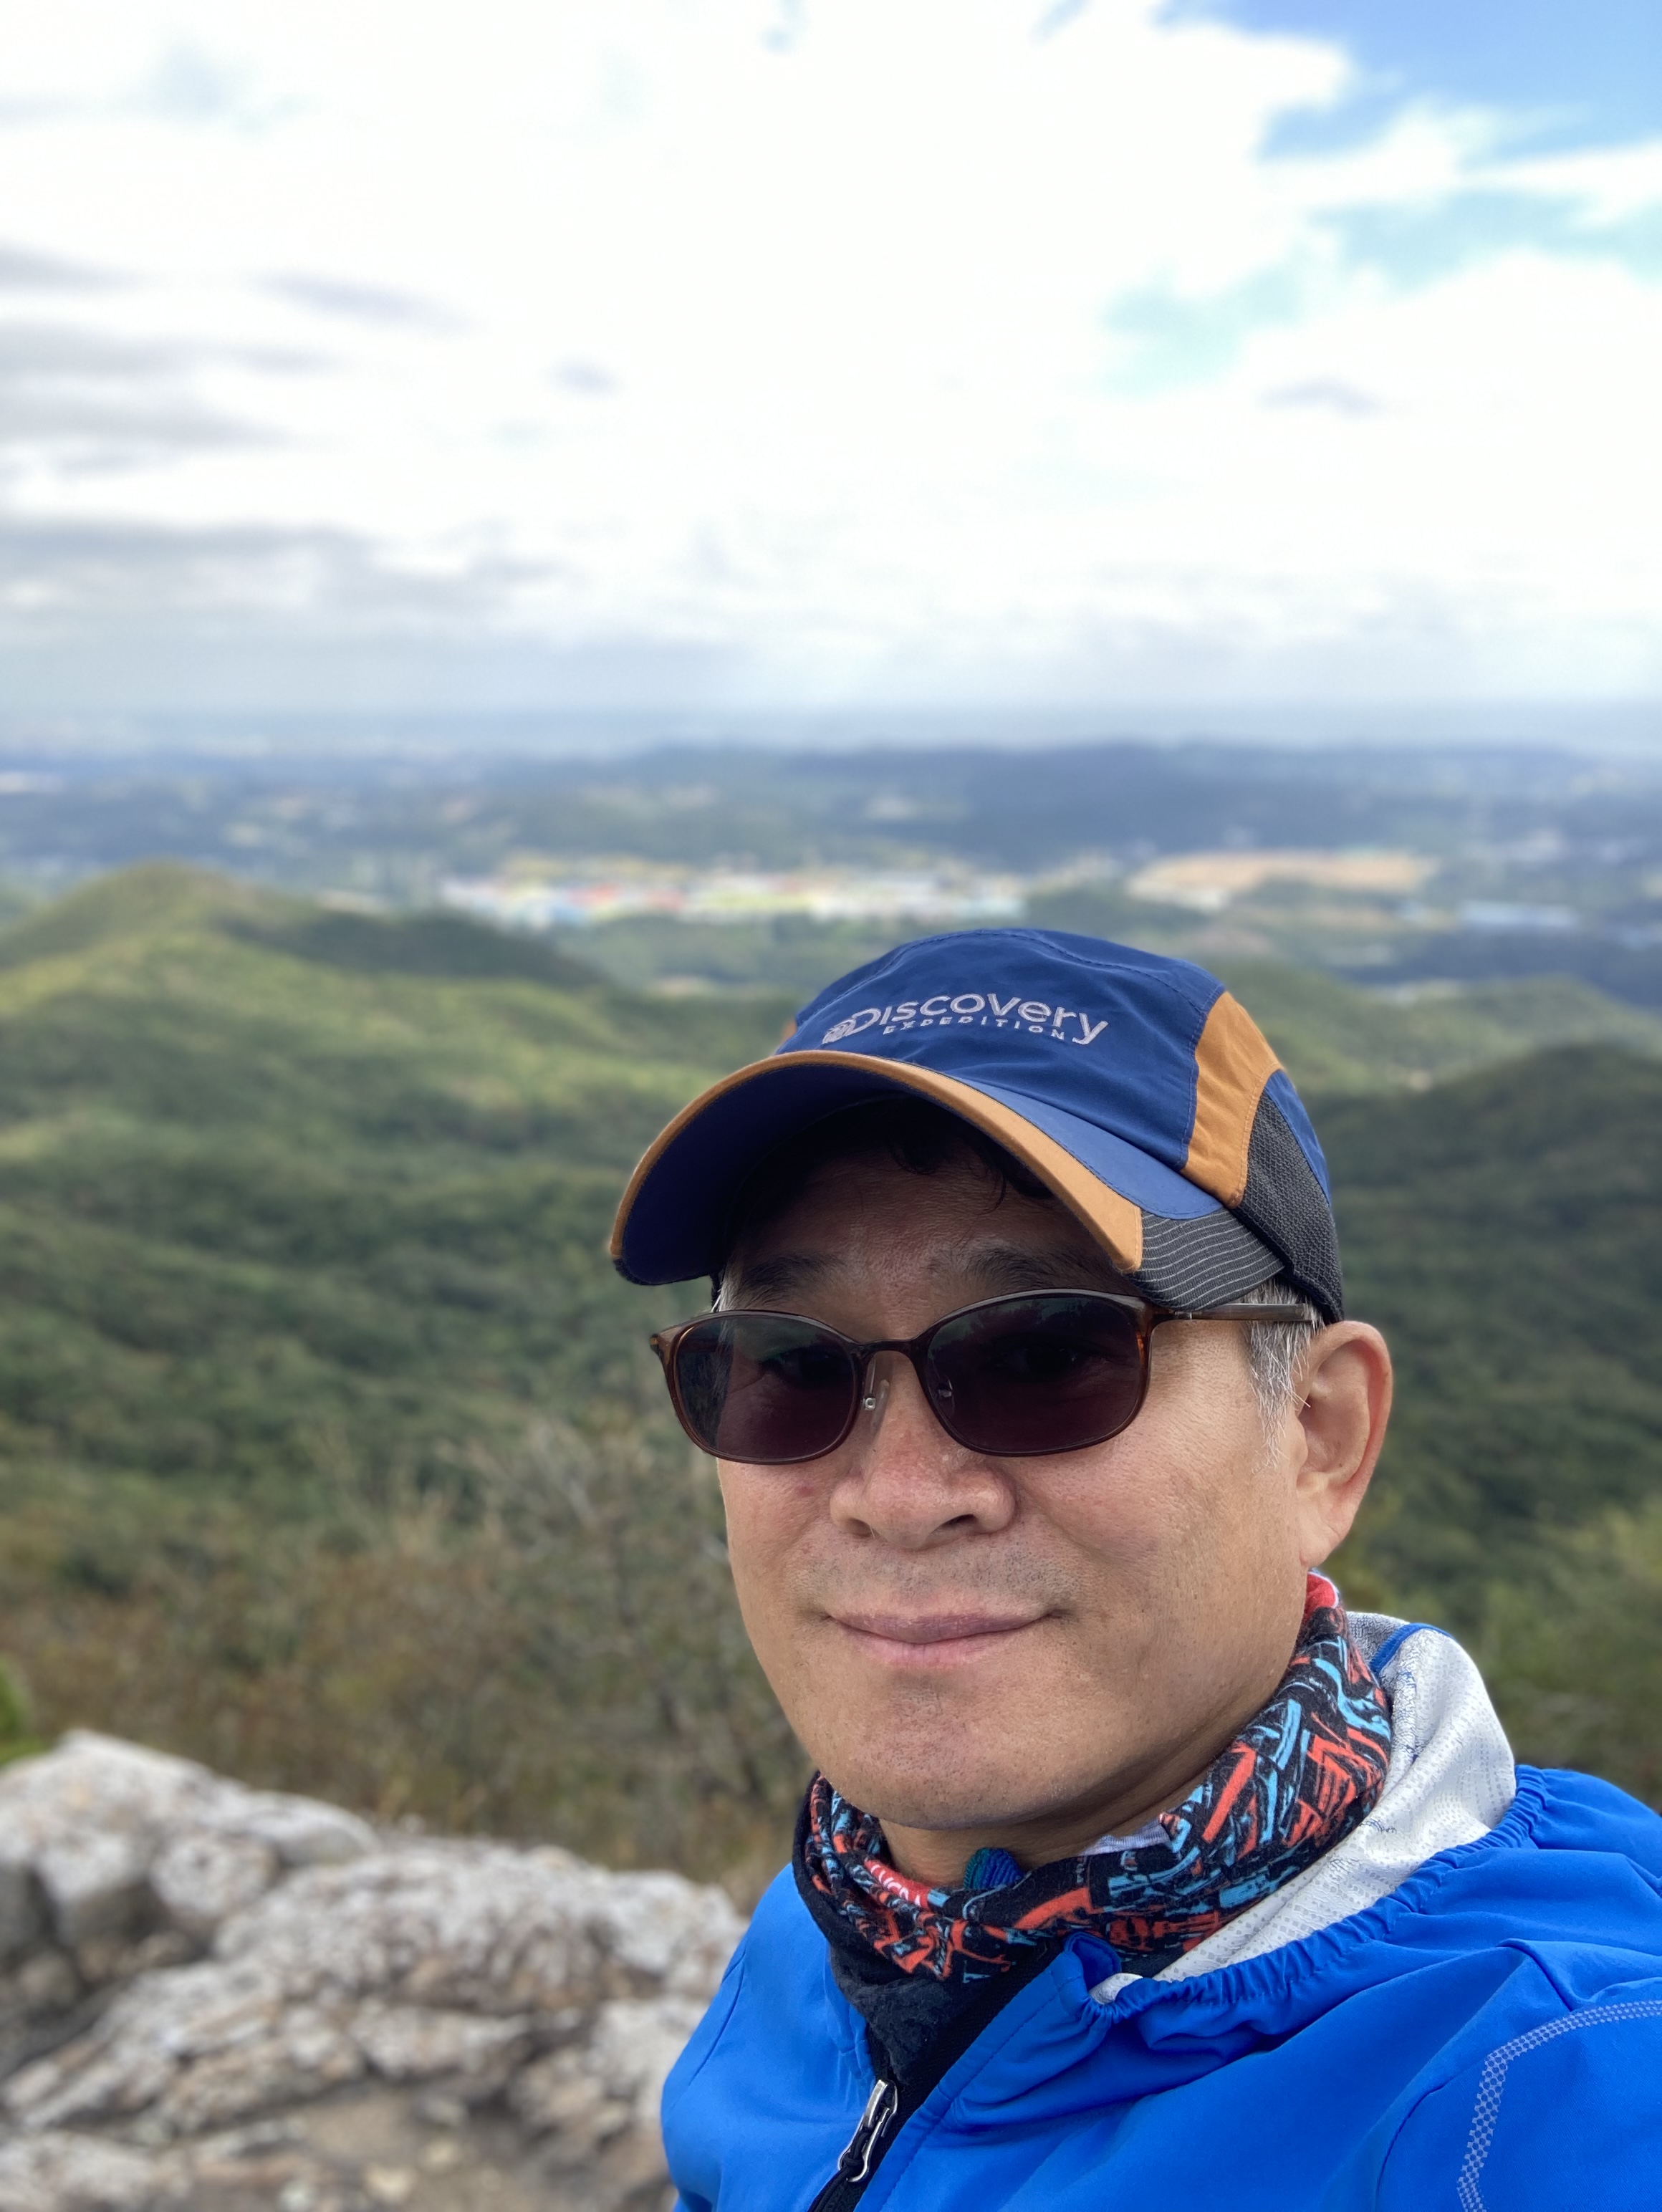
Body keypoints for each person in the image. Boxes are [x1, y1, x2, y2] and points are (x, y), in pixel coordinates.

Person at [610, 928, 1662, 2211]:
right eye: (789, 1364)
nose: (899, 1496)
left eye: (1047, 1356)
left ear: (1318, 1438)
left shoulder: (1549, 2082)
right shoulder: (852, 1914)